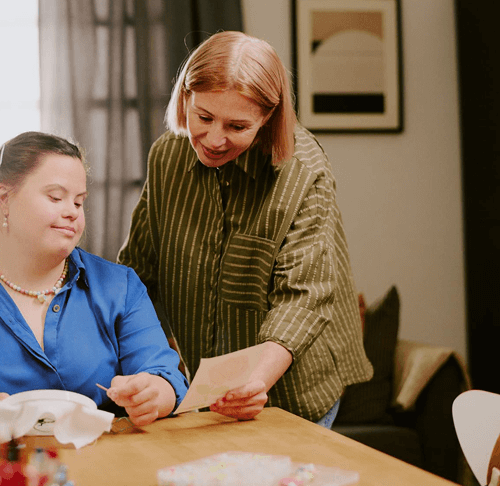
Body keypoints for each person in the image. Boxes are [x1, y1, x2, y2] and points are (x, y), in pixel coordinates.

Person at [117, 31, 373, 427]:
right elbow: (138, 272)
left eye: (237, 126)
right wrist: (150, 367)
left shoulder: (303, 172)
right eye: (203, 117)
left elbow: (302, 298)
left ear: (268, 118)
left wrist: (254, 381)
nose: (214, 139)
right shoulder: (166, 158)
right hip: (204, 387)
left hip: (292, 388)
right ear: (186, 98)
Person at [0, 131, 188, 435]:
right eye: (56, 197)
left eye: (79, 201)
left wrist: (154, 393)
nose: (72, 211)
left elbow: (166, 375)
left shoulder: (121, 286)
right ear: (5, 199)